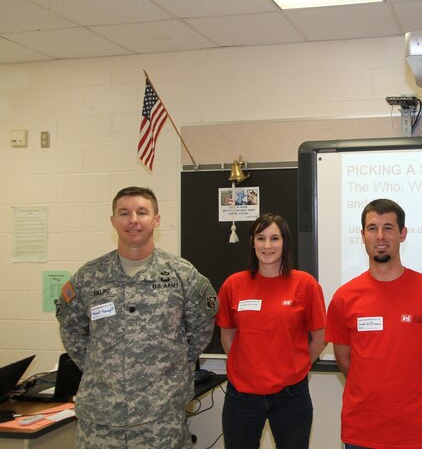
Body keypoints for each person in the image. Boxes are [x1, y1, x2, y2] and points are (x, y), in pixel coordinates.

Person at [57, 186, 218, 449]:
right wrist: (103, 368)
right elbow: (72, 330)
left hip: (161, 418)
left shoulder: (181, 275)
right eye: (124, 213)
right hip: (101, 419)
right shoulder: (89, 277)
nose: (133, 220)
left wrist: (169, 366)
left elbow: (201, 330)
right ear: (113, 221)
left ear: (156, 219)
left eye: (142, 212)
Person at [325, 198, 422, 449]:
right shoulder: (344, 297)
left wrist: (417, 392)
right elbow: (345, 359)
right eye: (372, 228)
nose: (380, 236)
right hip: (361, 432)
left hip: (417, 431)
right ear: (362, 235)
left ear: (403, 234)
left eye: (389, 228)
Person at [216, 213, 326, 448]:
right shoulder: (233, 285)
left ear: (285, 242)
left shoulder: (305, 284)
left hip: (291, 396)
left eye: (275, 238)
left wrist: (297, 366)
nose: (267, 246)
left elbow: (321, 336)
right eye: (261, 238)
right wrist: (246, 365)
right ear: (252, 243)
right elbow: (227, 335)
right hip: (241, 396)